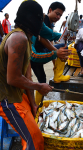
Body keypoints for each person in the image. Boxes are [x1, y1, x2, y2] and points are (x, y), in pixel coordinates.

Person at [0, 1, 53, 149]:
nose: (41, 25)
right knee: (36, 141)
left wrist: (33, 104)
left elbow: (27, 77)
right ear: (32, 19)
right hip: (6, 99)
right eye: (40, 20)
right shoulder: (19, 38)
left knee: (33, 134)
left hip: (18, 94)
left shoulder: (27, 40)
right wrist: (39, 87)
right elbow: (13, 78)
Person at [31, 2, 70, 84]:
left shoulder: (50, 23)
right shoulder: (43, 19)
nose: (58, 17)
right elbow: (42, 39)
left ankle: (57, 75)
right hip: (37, 54)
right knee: (63, 46)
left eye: (60, 15)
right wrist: (56, 52)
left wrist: (55, 62)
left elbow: (50, 38)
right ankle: (58, 75)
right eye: (57, 13)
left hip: (40, 51)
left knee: (42, 81)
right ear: (50, 10)